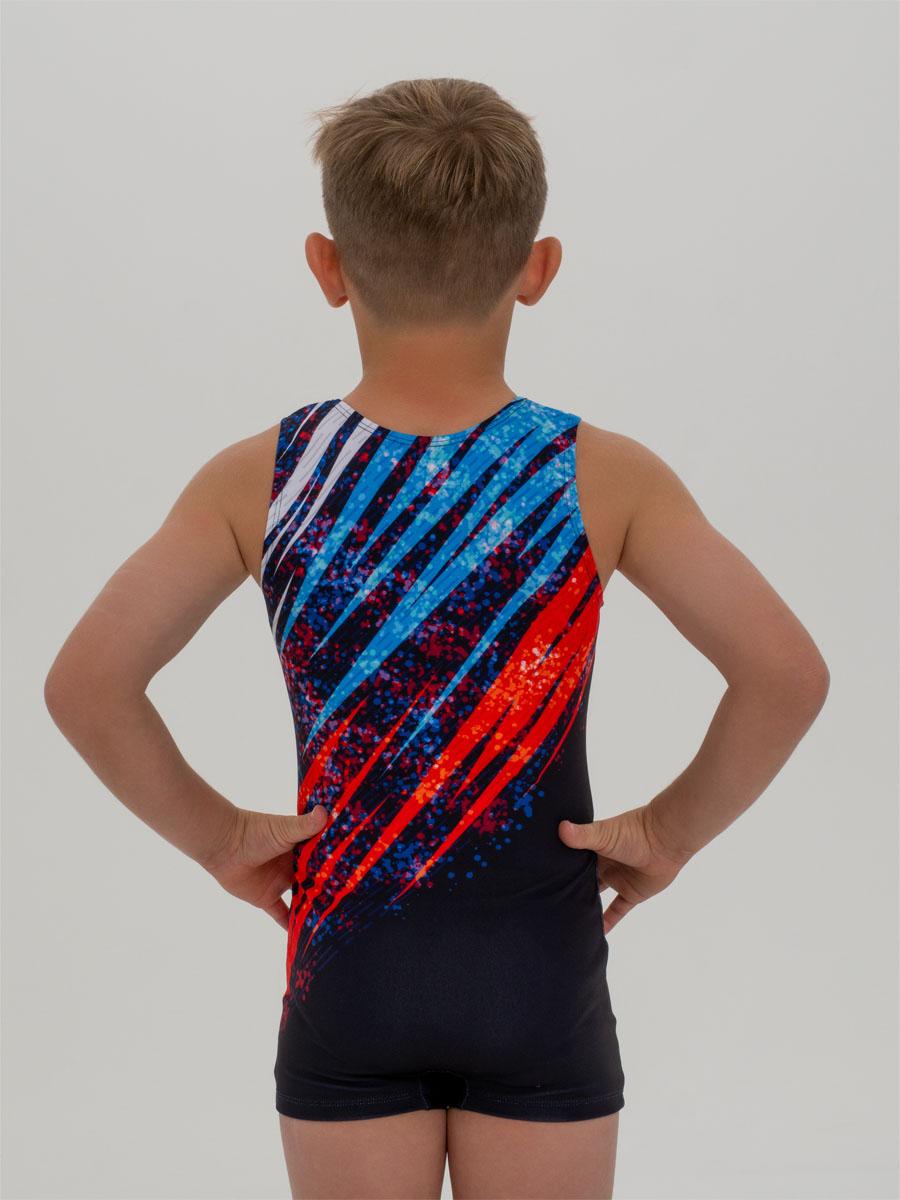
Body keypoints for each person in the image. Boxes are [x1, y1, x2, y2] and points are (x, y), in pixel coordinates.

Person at [43, 77, 830, 1200]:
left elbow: (88, 684)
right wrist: (668, 832)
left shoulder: (261, 478)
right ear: (538, 267)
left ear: (327, 266)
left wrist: (221, 839)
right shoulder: (599, 475)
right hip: (540, 974)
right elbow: (785, 674)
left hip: (348, 970)